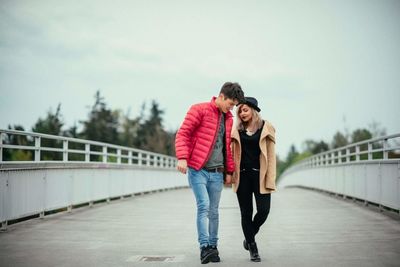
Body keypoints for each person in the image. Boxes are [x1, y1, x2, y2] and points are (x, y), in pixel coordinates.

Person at [175, 82, 245, 264]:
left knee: (214, 211)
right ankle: (204, 247)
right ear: (221, 96)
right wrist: (182, 157)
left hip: (217, 172)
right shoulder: (199, 109)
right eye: (230, 104)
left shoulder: (229, 119)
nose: (231, 108)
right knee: (204, 206)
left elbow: (228, 148)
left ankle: (213, 247)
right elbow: (183, 134)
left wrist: (229, 171)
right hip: (198, 169)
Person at [231, 97, 276, 262]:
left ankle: (250, 234)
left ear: (253, 110)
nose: (242, 114)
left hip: (260, 175)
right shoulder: (236, 130)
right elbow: (230, 152)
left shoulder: (266, 127)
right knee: (246, 212)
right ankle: (252, 246)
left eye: (245, 110)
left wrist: (271, 177)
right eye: (240, 111)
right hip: (242, 175)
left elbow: (271, 156)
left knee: (264, 210)